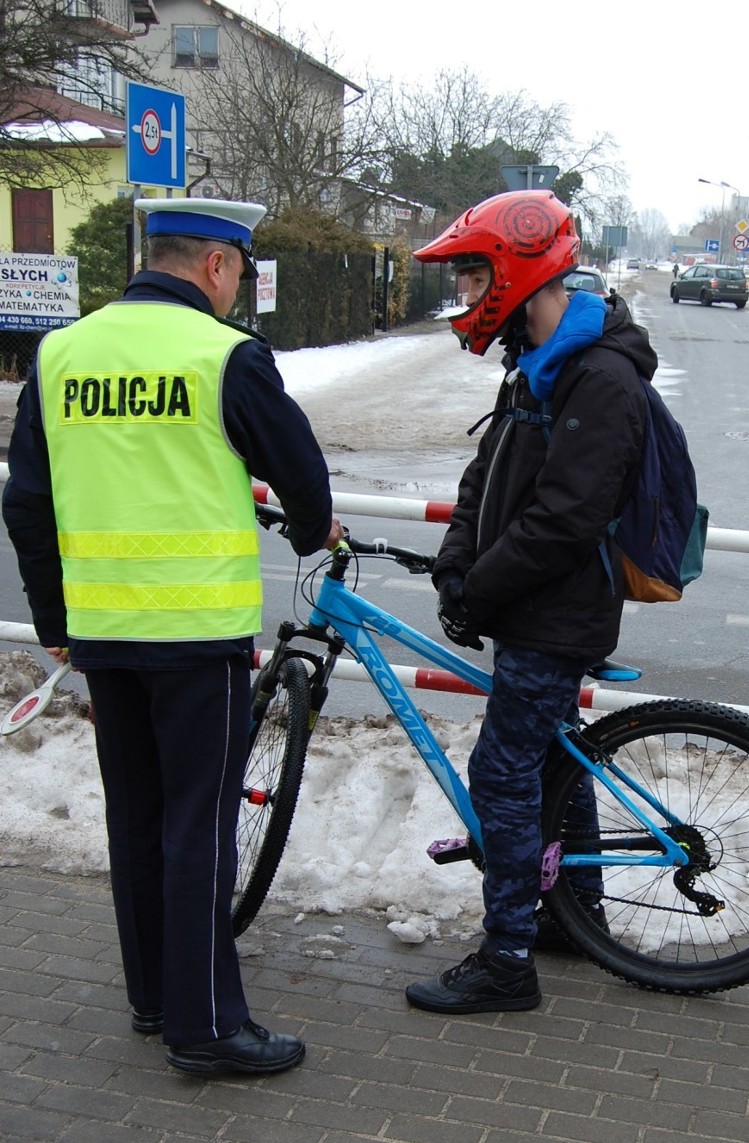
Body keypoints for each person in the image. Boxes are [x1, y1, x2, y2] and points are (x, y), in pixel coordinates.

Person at [2, 197, 343, 1074]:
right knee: (200, 825)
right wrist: (315, 533)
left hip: (104, 635)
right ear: (219, 266)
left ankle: (153, 997)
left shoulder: (61, 353)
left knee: (141, 818)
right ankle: (208, 1027)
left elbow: (27, 503)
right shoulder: (223, 355)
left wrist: (56, 623)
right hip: (196, 636)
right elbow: (300, 468)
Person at [405, 190, 657, 1014]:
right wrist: (454, 565)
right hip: (530, 605)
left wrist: (480, 590)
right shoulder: (538, 364)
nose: (469, 299)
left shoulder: (601, 376)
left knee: (504, 771)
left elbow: (564, 521)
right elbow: (485, 477)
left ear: (519, 269)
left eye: (477, 277)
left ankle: (507, 957)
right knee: (551, 762)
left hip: (559, 613)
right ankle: (571, 913)